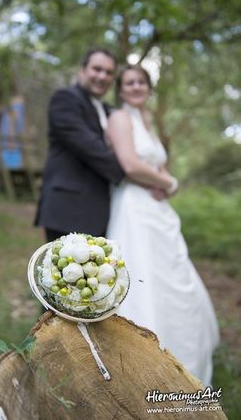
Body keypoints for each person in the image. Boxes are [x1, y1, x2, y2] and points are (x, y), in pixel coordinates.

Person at [106, 65, 219, 386]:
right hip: (134, 208)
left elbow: (157, 164)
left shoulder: (148, 120)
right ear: (121, 88)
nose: (136, 87)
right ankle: (139, 364)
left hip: (159, 212)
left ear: (149, 87)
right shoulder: (119, 119)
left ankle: (182, 361)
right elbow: (129, 164)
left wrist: (166, 181)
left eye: (141, 81)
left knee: (169, 274)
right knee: (142, 275)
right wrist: (169, 182)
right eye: (129, 82)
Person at [34, 48, 125, 241]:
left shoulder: (109, 110)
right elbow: (91, 148)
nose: (102, 76)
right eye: (97, 69)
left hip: (102, 212)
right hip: (69, 210)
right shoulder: (65, 99)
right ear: (82, 70)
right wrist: (131, 173)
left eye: (109, 72)